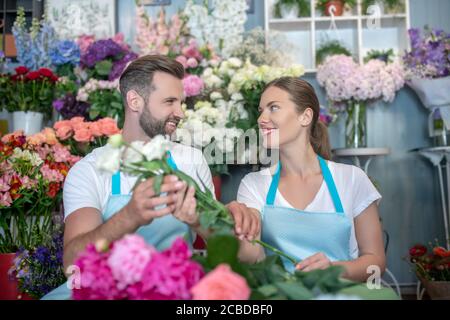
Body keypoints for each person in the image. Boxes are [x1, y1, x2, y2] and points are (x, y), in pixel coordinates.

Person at [42, 55, 259, 299]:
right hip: (106, 292)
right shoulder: (90, 169)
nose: (180, 113)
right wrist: (130, 216)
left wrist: (198, 219)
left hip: (173, 290)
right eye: (169, 102)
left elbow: (229, 248)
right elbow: (73, 264)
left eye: (181, 102)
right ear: (135, 101)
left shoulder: (190, 160)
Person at [237, 77, 386, 282]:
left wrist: (334, 270)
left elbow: (376, 263)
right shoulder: (254, 184)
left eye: (273, 108)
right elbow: (249, 255)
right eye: (261, 110)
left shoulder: (352, 179)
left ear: (305, 117)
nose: (261, 119)